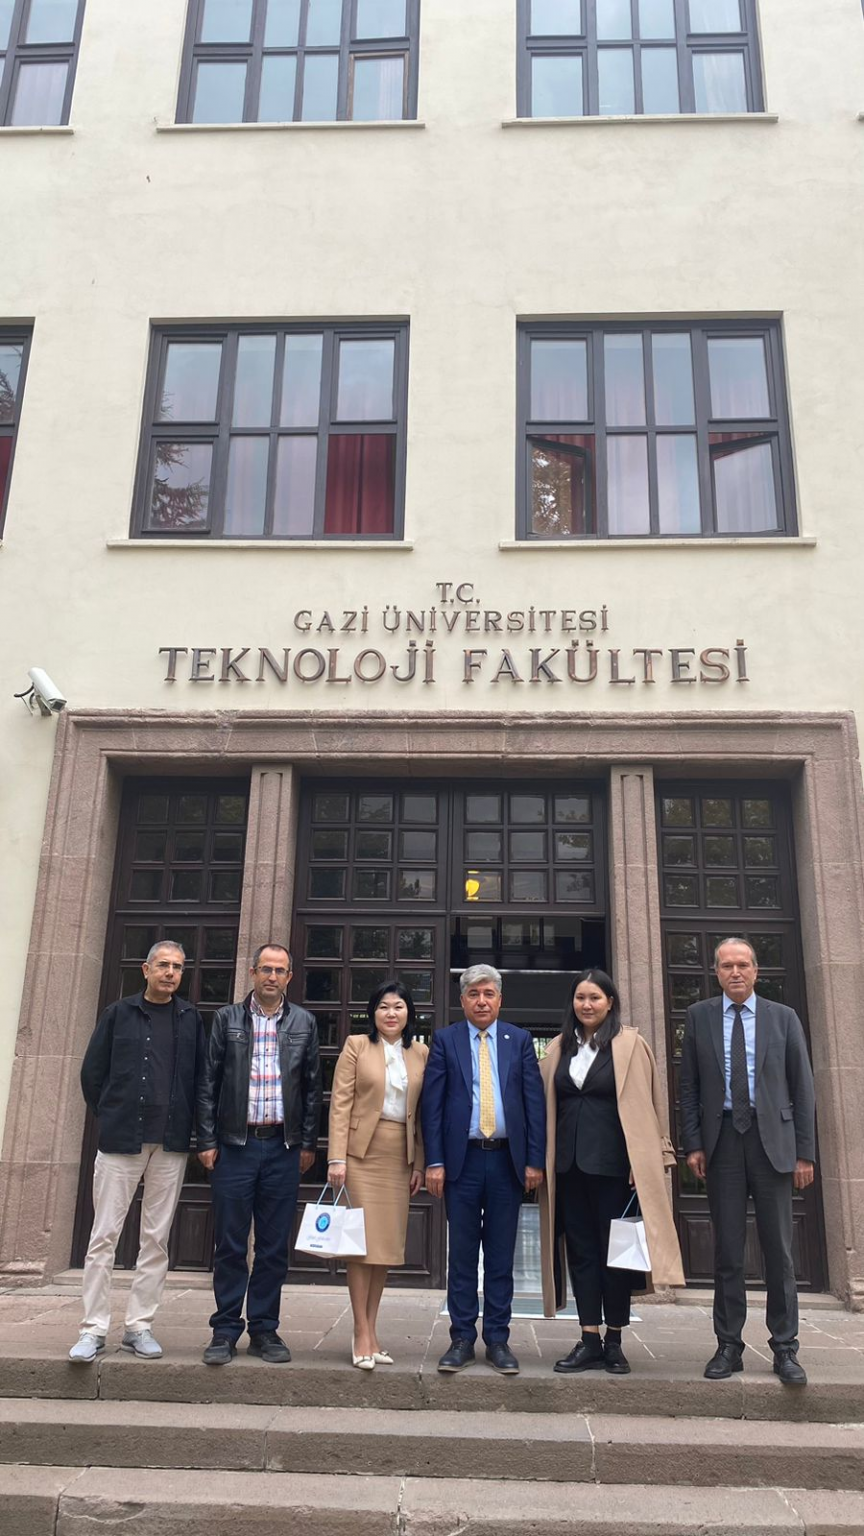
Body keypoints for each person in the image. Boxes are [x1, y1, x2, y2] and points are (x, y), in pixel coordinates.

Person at [680, 937, 816, 1387]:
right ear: (716, 972)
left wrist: (804, 1152)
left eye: (742, 965)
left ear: (756, 971)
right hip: (722, 1142)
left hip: (772, 1141)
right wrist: (694, 1144)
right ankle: (728, 1346)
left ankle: (785, 1348)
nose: (735, 972)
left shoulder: (784, 1017)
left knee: (779, 1250)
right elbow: (689, 1087)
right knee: (728, 1251)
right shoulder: (699, 1016)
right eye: (726, 966)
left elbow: (803, 1088)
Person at [538, 968, 683, 1375]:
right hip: (569, 1168)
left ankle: (614, 1340)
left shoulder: (631, 1045)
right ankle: (588, 1339)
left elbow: (651, 1103)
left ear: (610, 1002)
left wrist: (650, 1157)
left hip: (616, 1168)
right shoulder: (558, 1048)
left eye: (595, 998)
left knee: (617, 1255)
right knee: (581, 1253)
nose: (587, 1005)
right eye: (580, 998)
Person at [71, 940, 205, 1362]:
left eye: (177, 967)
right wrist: (113, 1114)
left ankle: (139, 1326)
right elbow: (92, 1075)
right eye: (163, 965)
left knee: (156, 1239)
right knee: (103, 1236)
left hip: (171, 1142)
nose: (170, 973)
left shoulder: (190, 1019)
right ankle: (93, 1329)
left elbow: (200, 1077)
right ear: (146, 969)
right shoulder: (118, 1014)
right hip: (121, 1140)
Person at [196, 942, 322, 1366]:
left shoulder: (303, 1021)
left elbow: (312, 1087)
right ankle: (225, 1329)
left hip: (283, 1148)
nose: (272, 976)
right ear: (252, 973)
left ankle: (265, 1329)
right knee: (230, 1243)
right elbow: (208, 1083)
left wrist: (308, 1143)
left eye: (280, 970)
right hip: (235, 1147)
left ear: (289, 977)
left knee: (272, 1246)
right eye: (265, 969)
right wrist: (207, 1140)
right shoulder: (226, 1019)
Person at [421, 964, 546, 1375]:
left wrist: (534, 1160)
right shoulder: (446, 1040)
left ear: (500, 999)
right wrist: (434, 1161)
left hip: (507, 1161)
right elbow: (432, 1107)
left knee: (499, 1255)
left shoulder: (519, 1040)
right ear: (462, 1000)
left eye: (488, 993)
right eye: (473, 994)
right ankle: (461, 1338)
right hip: (463, 1161)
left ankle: (497, 1339)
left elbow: (534, 1104)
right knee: (461, 1255)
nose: (481, 1001)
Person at [327, 982, 428, 1369]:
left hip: (399, 1155)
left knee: (384, 1248)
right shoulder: (357, 1046)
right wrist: (336, 1157)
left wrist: (420, 1164)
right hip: (360, 1155)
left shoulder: (420, 1052)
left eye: (398, 1006)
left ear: (408, 1013)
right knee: (361, 1246)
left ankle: (373, 1330)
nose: (390, 1013)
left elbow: (423, 1115)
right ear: (373, 1012)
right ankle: (360, 1332)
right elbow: (340, 1103)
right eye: (383, 1006)